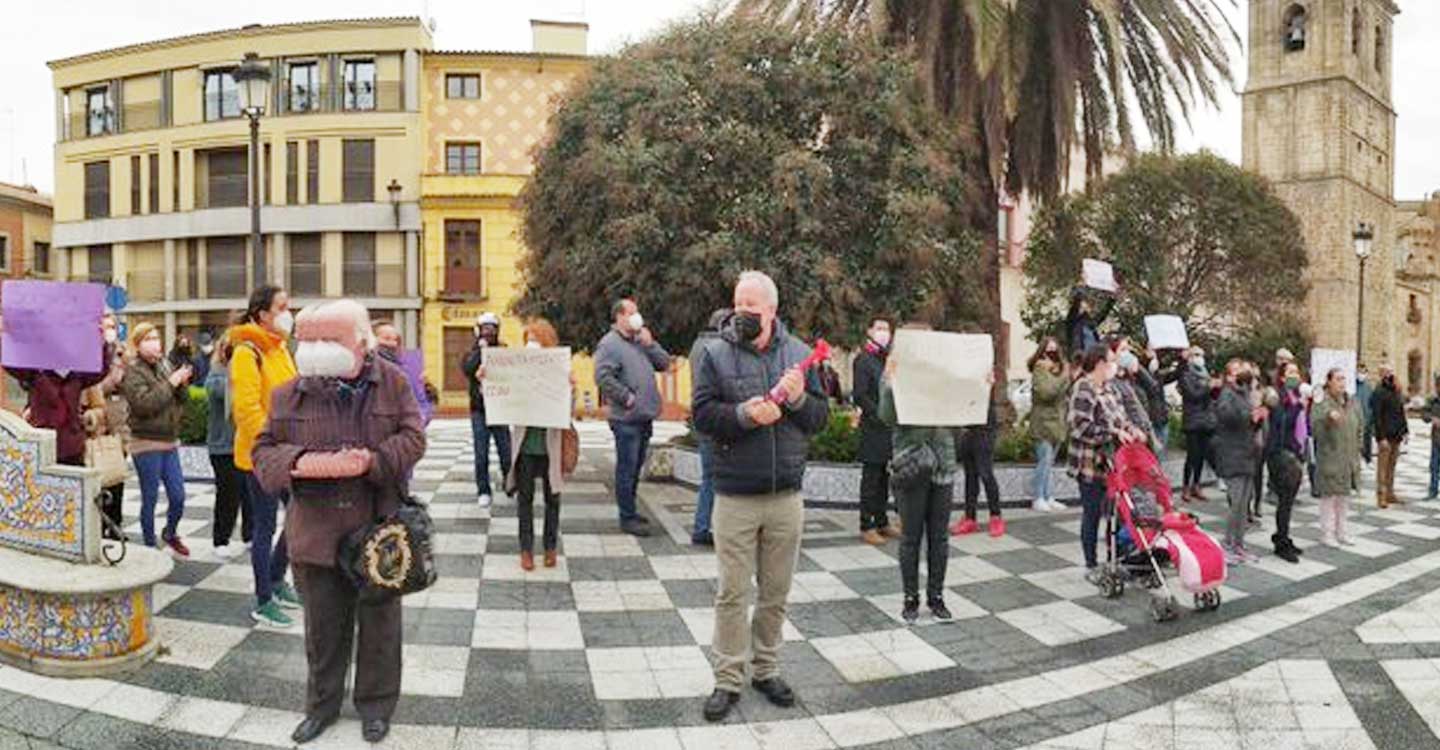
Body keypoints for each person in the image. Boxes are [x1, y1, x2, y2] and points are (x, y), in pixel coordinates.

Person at [252, 299, 425, 746]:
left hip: (378, 530)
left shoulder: (394, 383)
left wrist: (373, 461)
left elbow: (413, 437)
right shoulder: (288, 393)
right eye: (308, 340)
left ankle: (376, 707)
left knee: (381, 627)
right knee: (323, 631)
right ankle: (322, 707)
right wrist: (301, 463)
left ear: (361, 341)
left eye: (328, 339)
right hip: (316, 533)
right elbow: (262, 452)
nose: (315, 349)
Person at [692, 270, 829, 723]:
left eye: (752, 306)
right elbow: (704, 417)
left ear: (772, 309)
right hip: (734, 495)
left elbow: (820, 420)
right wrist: (743, 414)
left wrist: (795, 401)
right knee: (732, 592)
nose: (743, 313)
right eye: (738, 304)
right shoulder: (715, 353)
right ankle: (728, 678)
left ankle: (766, 669)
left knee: (776, 591)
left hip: (785, 494)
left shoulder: (800, 355)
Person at [230, 284, 302, 629]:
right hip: (261, 457)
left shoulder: (281, 349)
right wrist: (270, 447)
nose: (289, 313)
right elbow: (246, 410)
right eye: (282, 307)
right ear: (262, 314)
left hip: (288, 454)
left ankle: (276, 577)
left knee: (299, 516)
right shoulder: (247, 352)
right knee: (265, 526)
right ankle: (263, 598)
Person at [878, 338, 955, 624]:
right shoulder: (896, 373)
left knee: (940, 538)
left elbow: (965, 415)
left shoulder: (947, 377)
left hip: (943, 464)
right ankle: (911, 597)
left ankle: (937, 596)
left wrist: (981, 385)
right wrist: (889, 380)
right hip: (911, 463)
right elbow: (886, 416)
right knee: (910, 536)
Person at [594, 298, 671, 536]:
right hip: (626, 417)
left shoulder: (639, 341)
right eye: (631, 313)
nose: (636, 316)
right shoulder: (609, 344)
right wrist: (627, 398)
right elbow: (603, 377)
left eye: (637, 312)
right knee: (627, 468)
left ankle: (631, 511)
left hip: (644, 415)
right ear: (619, 317)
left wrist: (650, 343)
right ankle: (627, 517)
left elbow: (664, 363)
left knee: (636, 466)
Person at [1067, 344, 1141, 580]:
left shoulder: (1110, 389)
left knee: (1118, 514)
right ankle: (1091, 564)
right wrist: (1112, 434)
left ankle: (1117, 558)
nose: (1114, 366)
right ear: (1099, 363)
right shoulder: (1083, 388)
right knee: (1092, 513)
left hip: (1114, 464)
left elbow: (1122, 418)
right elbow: (1079, 427)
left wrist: (1132, 430)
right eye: (1111, 361)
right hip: (1090, 464)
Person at [505, 319, 573, 570]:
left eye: (536, 339)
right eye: (528, 340)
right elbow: (499, 397)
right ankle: (526, 550)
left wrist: (570, 388)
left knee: (552, 500)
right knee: (525, 500)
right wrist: (485, 379)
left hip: (550, 447)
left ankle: (550, 547)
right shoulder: (517, 370)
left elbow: (567, 410)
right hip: (525, 447)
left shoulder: (560, 370)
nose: (531, 345)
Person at [121, 323, 193, 557]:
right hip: (146, 442)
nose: (154, 342)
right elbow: (144, 405)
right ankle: (149, 547)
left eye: (156, 337)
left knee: (178, 495)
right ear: (137, 344)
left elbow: (182, 399)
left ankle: (170, 533)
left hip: (169, 441)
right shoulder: (133, 371)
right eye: (148, 339)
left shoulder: (164, 364)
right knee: (149, 497)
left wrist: (182, 383)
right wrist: (171, 383)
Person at [1213, 360, 1265, 564]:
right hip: (1232, 454)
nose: (1240, 375)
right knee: (1235, 504)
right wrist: (1249, 415)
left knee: (1244, 505)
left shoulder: (1244, 394)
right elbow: (1226, 417)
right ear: (1228, 376)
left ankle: (1239, 544)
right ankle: (1227, 545)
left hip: (1247, 453)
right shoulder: (1227, 394)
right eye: (1235, 372)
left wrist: (1258, 418)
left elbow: (1250, 425)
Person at [852, 317, 899, 543]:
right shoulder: (863, 360)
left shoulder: (887, 360)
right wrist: (879, 413)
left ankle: (882, 521)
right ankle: (866, 524)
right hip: (873, 428)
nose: (883, 332)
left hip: (888, 428)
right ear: (869, 331)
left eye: (887, 329)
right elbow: (860, 395)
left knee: (883, 478)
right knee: (871, 479)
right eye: (879, 328)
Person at [688, 308, 732, 547]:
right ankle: (703, 527)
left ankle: (703, 525)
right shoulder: (717, 350)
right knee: (714, 478)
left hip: (701, 418)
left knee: (709, 476)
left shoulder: (698, 344)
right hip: (714, 420)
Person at [83, 314, 129, 537]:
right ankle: (102, 531)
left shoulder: (121, 353)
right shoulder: (88, 360)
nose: (109, 330)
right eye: (105, 326)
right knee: (100, 488)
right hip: (92, 438)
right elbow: (100, 392)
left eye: (113, 326)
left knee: (115, 479)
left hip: (116, 430)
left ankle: (115, 527)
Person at [205, 335, 249, 560]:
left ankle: (250, 535)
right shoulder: (216, 375)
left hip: (246, 444)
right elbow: (228, 395)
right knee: (228, 494)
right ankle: (220, 539)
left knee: (249, 492)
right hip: (223, 447)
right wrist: (236, 370)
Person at [461, 312, 512, 508]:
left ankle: (510, 483)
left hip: (500, 409)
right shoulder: (472, 352)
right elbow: (467, 369)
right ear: (478, 331)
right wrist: (480, 352)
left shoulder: (504, 350)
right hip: (479, 411)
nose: (488, 332)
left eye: (492, 328)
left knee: (505, 451)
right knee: (481, 453)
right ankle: (483, 490)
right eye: (485, 328)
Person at [1263, 361, 1309, 563]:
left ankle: (1283, 536)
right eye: (1290, 372)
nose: (1295, 376)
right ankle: (1280, 542)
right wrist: (1299, 407)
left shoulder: (1294, 395)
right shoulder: (1277, 396)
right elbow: (1282, 421)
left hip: (1293, 451)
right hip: (1279, 453)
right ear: (1282, 377)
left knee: (1288, 502)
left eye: (1297, 372)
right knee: (1285, 501)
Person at [1313, 368, 1361, 546]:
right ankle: (1327, 533)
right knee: (1329, 497)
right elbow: (1315, 429)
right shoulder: (1322, 402)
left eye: (1344, 379)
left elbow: (1359, 426)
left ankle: (1342, 532)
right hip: (1330, 456)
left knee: (1344, 497)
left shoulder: (1351, 401)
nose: (1342, 382)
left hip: (1348, 457)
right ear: (1330, 382)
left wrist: (1358, 448)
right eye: (1338, 379)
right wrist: (1327, 419)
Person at [951, 393, 1004, 537]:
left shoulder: (986, 375)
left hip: (984, 431)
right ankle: (970, 517)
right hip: (968, 431)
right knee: (970, 477)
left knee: (986, 474)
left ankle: (996, 516)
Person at [1029, 338, 1068, 512]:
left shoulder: (1059, 370)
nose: (1053, 353)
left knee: (1049, 463)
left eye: (1055, 349)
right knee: (1044, 461)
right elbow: (1047, 392)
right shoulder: (1040, 368)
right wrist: (1064, 377)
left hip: (1058, 423)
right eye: (1049, 349)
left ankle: (1047, 496)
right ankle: (1038, 497)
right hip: (1043, 423)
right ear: (1042, 352)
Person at [373, 320, 434, 425]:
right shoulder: (364, 366)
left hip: (405, 430)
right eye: (386, 338)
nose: (392, 343)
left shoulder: (410, 364)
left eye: (396, 339)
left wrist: (427, 390)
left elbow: (420, 402)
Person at [1179, 346, 1217, 501]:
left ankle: (1197, 484)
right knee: (1192, 455)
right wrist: (1209, 387)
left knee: (1202, 455)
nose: (1199, 357)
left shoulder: (1206, 374)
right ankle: (1186, 486)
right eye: (1195, 355)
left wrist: (1214, 388)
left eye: (1201, 354)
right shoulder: (1185, 374)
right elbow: (1192, 395)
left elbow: (1212, 396)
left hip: (1206, 419)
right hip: (1192, 419)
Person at [1371, 365, 1408, 508]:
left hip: (1396, 435)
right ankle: (1381, 495)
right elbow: (1377, 416)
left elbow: (1400, 412)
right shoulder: (1378, 392)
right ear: (1381, 374)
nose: (1390, 375)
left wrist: (1405, 431)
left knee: (1392, 466)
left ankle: (1390, 493)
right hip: (1385, 436)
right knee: (1382, 467)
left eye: (1392, 372)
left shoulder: (1396, 391)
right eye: (1387, 372)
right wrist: (1381, 438)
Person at [1064, 288, 1114, 356]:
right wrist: (1081, 290)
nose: (1088, 304)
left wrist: (1111, 300)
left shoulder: (1088, 322)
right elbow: (1074, 309)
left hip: (1093, 356)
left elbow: (1101, 316)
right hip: (1080, 356)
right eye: (1085, 302)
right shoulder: (1073, 321)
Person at [1356, 364, 1375, 464]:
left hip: (1367, 421)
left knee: (1366, 443)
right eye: (1359, 372)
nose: (1361, 374)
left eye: (1363, 372)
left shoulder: (1368, 388)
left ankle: (1365, 457)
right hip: (1355, 421)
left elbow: (1371, 405)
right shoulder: (1353, 387)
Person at [1426, 376, 1440, 501]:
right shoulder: (1433, 400)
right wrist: (1432, 418)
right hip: (1436, 439)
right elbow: (1424, 414)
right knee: (1434, 466)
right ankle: (1433, 490)